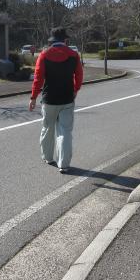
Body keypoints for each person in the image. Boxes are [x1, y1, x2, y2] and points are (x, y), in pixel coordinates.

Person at [29, 27, 83, 173]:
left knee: (47, 128)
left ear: (51, 40)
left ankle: (48, 157)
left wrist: (33, 97)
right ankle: (64, 164)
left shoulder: (44, 55)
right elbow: (79, 76)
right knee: (65, 131)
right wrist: (75, 90)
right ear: (65, 40)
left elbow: (38, 79)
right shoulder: (74, 55)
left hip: (49, 99)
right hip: (67, 98)